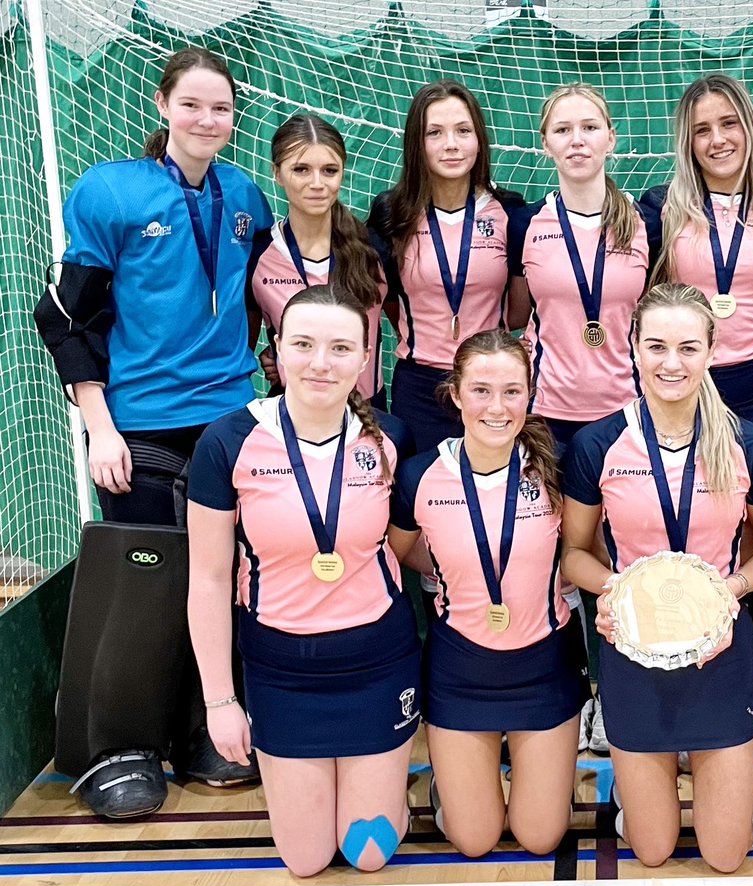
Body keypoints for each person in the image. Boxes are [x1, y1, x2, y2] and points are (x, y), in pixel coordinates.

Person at [33, 46, 272, 817]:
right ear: (163, 105)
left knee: (233, 577)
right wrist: (98, 427)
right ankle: (121, 745)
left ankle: (212, 726)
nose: (208, 120)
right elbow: (66, 318)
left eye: (222, 108)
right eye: (193, 104)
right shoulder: (110, 191)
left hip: (229, 420)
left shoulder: (246, 197)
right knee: (143, 581)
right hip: (138, 424)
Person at [187, 285, 420, 877]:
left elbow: (408, 546)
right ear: (278, 351)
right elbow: (210, 580)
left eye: (341, 348)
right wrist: (220, 700)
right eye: (305, 345)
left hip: (378, 660)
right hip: (281, 670)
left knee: (369, 856)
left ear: (366, 359)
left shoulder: (391, 438)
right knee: (307, 860)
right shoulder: (228, 442)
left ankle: (392, 792)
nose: (322, 362)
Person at [562, 282, 753, 872]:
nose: (671, 363)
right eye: (656, 346)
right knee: (654, 850)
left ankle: (740, 795)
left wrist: (730, 588)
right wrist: (616, 590)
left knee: (725, 855)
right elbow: (574, 556)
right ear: (632, 347)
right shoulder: (597, 444)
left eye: (688, 348)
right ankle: (636, 793)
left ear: (711, 351)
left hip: (720, 649)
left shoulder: (748, 443)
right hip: (632, 649)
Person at [388, 329, 590, 857]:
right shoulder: (419, 475)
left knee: (540, 837)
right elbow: (400, 549)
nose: (496, 407)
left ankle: (541, 782)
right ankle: (452, 787)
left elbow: (588, 553)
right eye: (480, 390)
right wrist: (458, 574)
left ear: (530, 393)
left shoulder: (561, 469)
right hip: (460, 670)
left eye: (511, 391)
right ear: (455, 394)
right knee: (473, 841)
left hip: (545, 667)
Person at [641, 74, 753, 426]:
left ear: (749, 129)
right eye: (702, 130)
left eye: (729, 123)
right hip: (685, 379)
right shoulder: (661, 208)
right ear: (688, 142)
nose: (717, 140)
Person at [369, 80, 521, 452]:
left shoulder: (511, 212)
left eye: (463, 131)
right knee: (420, 498)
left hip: (492, 384)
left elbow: (519, 310)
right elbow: (390, 299)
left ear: (479, 140)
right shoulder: (391, 213)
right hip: (419, 386)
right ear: (416, 144)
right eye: (435, 133)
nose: (451, 144)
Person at [507, 82, 656, 450]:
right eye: (562, 130)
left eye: (589, 127)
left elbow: (654, 312)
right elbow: (516, 315)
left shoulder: (646, 223)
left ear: (611, 138)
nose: (577, 140)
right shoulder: (525, 223)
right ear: (545, 143)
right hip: (545, 412)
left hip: (628, 408)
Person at [249, 114, 387, 409]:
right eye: (301, 169)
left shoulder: (374, 248)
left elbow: (411, 324)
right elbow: (243, 344)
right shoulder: (258, 253)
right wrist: (277, 354)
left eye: (329, 170)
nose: (317, 183)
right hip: (291, 414)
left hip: (369, 414)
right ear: (277, 173)